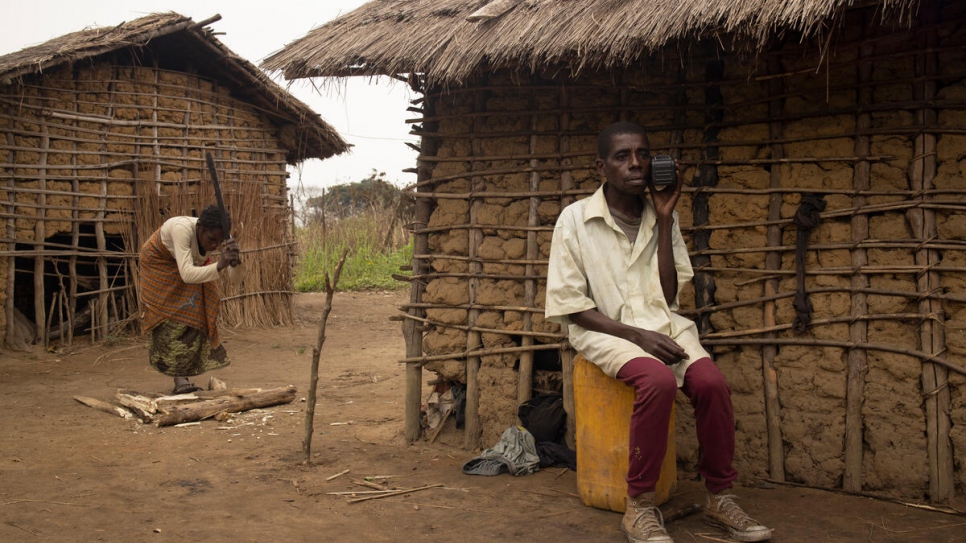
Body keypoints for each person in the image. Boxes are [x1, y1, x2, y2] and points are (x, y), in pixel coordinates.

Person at [545, 122, 772, 543]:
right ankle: (640, 505)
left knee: (711, 385)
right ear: (602, 167)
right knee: (657, 381)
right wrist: (636, 336)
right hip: (604, 329)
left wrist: (665, 218)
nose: (635, 163)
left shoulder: (661, 216)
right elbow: (573, 307)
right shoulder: (575, 220)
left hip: (661, 324)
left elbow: (667, 296)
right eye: (622, 156)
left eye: (643, 154)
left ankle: (720, 497)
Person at [139, 204, 243, 394]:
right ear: (200, 228)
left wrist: (235, 261)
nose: (213, 246)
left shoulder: (218, 240)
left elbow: (235, 281)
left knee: (200, 310)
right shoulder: (182, 230)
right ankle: (180, 378)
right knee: (172, 317)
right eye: (211, 239)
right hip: (159, 264)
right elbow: (187, 274)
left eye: (218, 242)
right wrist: (220, 264)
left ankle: (186, 372)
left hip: (191, 265)